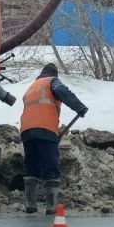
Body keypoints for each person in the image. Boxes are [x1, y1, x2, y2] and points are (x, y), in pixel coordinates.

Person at [20, 63, 88, 214]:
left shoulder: (32, 87)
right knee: (51, 163)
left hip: (26, 130)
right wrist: (79, 107)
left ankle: (30, 205)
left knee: (32, 165)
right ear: (54, 74)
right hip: (45, 128)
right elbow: (61, 90)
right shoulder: (51, 81)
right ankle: (51, 206)